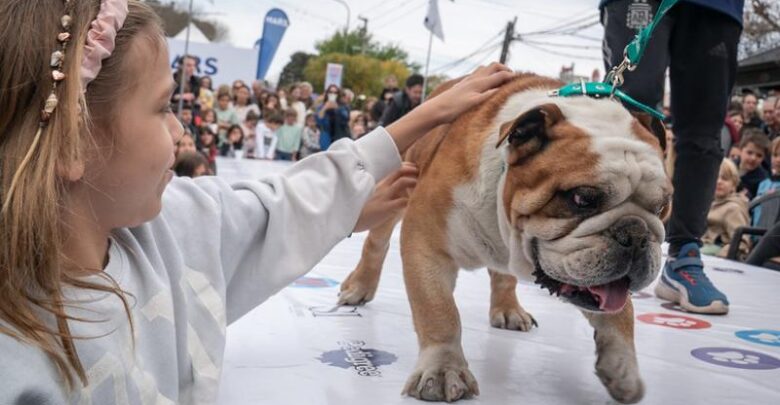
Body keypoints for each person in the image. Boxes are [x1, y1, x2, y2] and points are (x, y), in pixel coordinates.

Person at [0, 2, 513, 402]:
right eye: (162, 109)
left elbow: (274, 208)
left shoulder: (165, 230)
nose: (181, 133)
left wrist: (415, 127)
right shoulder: (18, 361)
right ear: (72, 143)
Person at [601, 0, 743, 314]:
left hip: (718, 7)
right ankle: (600, 243)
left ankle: (685, 257)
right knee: (628, 112)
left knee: (705, 130)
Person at [701, 159, 750, 259]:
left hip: (719, 252)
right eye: (715, 177)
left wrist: (720, 256)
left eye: (724, 178)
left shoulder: (733, 208)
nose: (719, 181)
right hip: (703, 245)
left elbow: (741, 242)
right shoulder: (709, 203)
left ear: (734, 185)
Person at [737, 129, 770, 199]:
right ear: (740, 150)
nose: (753, 158)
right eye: (749, 152)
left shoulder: (762, 180)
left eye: (759, 155)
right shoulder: (729, 166)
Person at [316, 85, 351, 150]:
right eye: (330, 92)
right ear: (327, 93)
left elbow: (346, 119)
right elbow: (319, 122)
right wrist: (325, 108)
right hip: (326, 136)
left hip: (340, 135)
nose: (333, 94)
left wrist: (337, 108)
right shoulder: (321, 106)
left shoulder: (344, 106)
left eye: (335, 92)